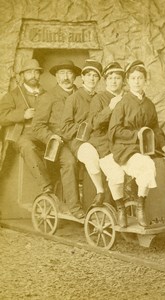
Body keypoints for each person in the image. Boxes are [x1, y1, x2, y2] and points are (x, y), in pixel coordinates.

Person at [108, 60, 165, 227]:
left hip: (149, 147)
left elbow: (155, 128)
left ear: (145, 80)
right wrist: (135, 135)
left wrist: (164, 143)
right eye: (133, 78)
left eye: (140, 78)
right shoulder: (122, 103)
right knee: (146, 165)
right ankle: (140, 206)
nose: (137, 82)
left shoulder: (149, 104)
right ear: (128, 81)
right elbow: (114, 131)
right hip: (126, 148)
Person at [32, 60, 84, 219]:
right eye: (62, 73)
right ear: (56, 77)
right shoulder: (48, 97)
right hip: (59, 142)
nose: (66, 77)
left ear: (75, 76)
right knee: (69, 162)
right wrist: (51, 137)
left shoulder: (81, 94)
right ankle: (74, 207)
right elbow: (37, 126)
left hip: (80, 138)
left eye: (69, 73)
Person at [79, 62, 127, 227]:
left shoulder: (128, 97)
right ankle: (117, 208)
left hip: (124, 143)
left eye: (117, 78)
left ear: (123, 81)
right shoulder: (99, 98)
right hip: (103, 144)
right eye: (110, 78)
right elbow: (94, 123)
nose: (114, 81)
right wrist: (110, 107)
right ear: (106, 81)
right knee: (116, 175)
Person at [0, 58, 52, 194]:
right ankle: (46, 186)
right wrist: (23, 114)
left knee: (58, 146)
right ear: (22, 75)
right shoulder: (13, 95)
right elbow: (1, 116)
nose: (33, 75)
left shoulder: (47, 95)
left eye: (36, 72)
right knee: (28, 147)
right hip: (21, 134)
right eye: (29, 72)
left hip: (42, 132)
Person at [60, 59, 103, 205]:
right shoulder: (73, 99)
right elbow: (65, 129)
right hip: (78, 142)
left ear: (99, 79)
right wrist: (84, 126)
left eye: (95, 75)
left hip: (98, 140)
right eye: (88, 75)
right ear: (82, 77)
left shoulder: (100, 98)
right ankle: (98, 193)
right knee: (91, 157)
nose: (92, 78)